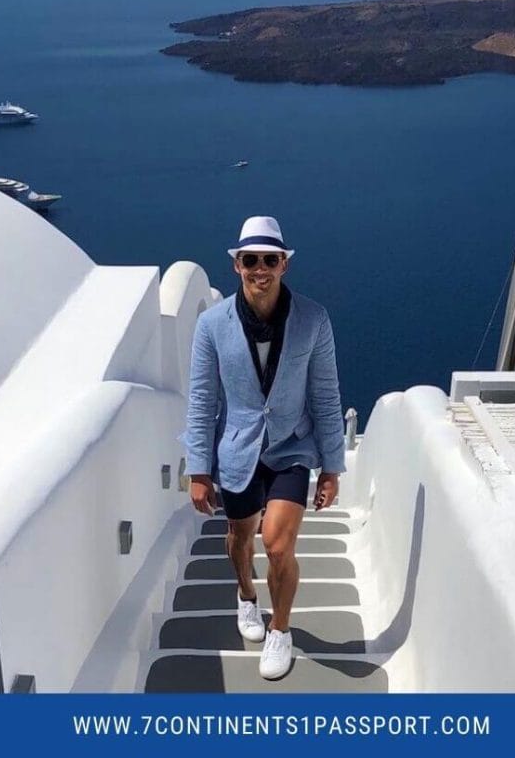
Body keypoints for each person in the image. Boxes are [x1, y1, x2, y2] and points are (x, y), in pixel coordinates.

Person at [183, 215, 345, 680]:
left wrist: (331, 466)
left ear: (283, 265)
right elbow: (202, 400)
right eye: (250, 259)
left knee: (277, 543)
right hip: (236, 452)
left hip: (292, 448)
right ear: (237, 265)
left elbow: (326, 395)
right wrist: (198, 469)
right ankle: (245, 595)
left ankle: (280, 630)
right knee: (239, 537)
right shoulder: (211, 325)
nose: (260, 268)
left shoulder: (313, 320)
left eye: (269, 259)